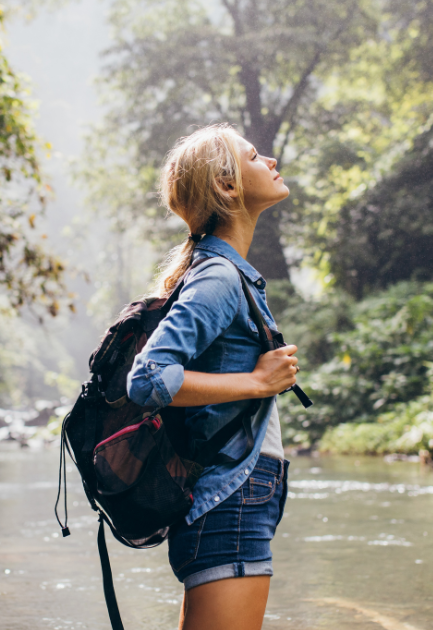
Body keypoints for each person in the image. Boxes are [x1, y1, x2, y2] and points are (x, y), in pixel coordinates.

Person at [125, 124, 299, 630]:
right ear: (226, 186)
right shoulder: (220, 277)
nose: (268, 159)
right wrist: (257, 382)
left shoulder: (228, 274)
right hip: (231, 498)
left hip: (234, 497)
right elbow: (149, 378)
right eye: (253, 155)